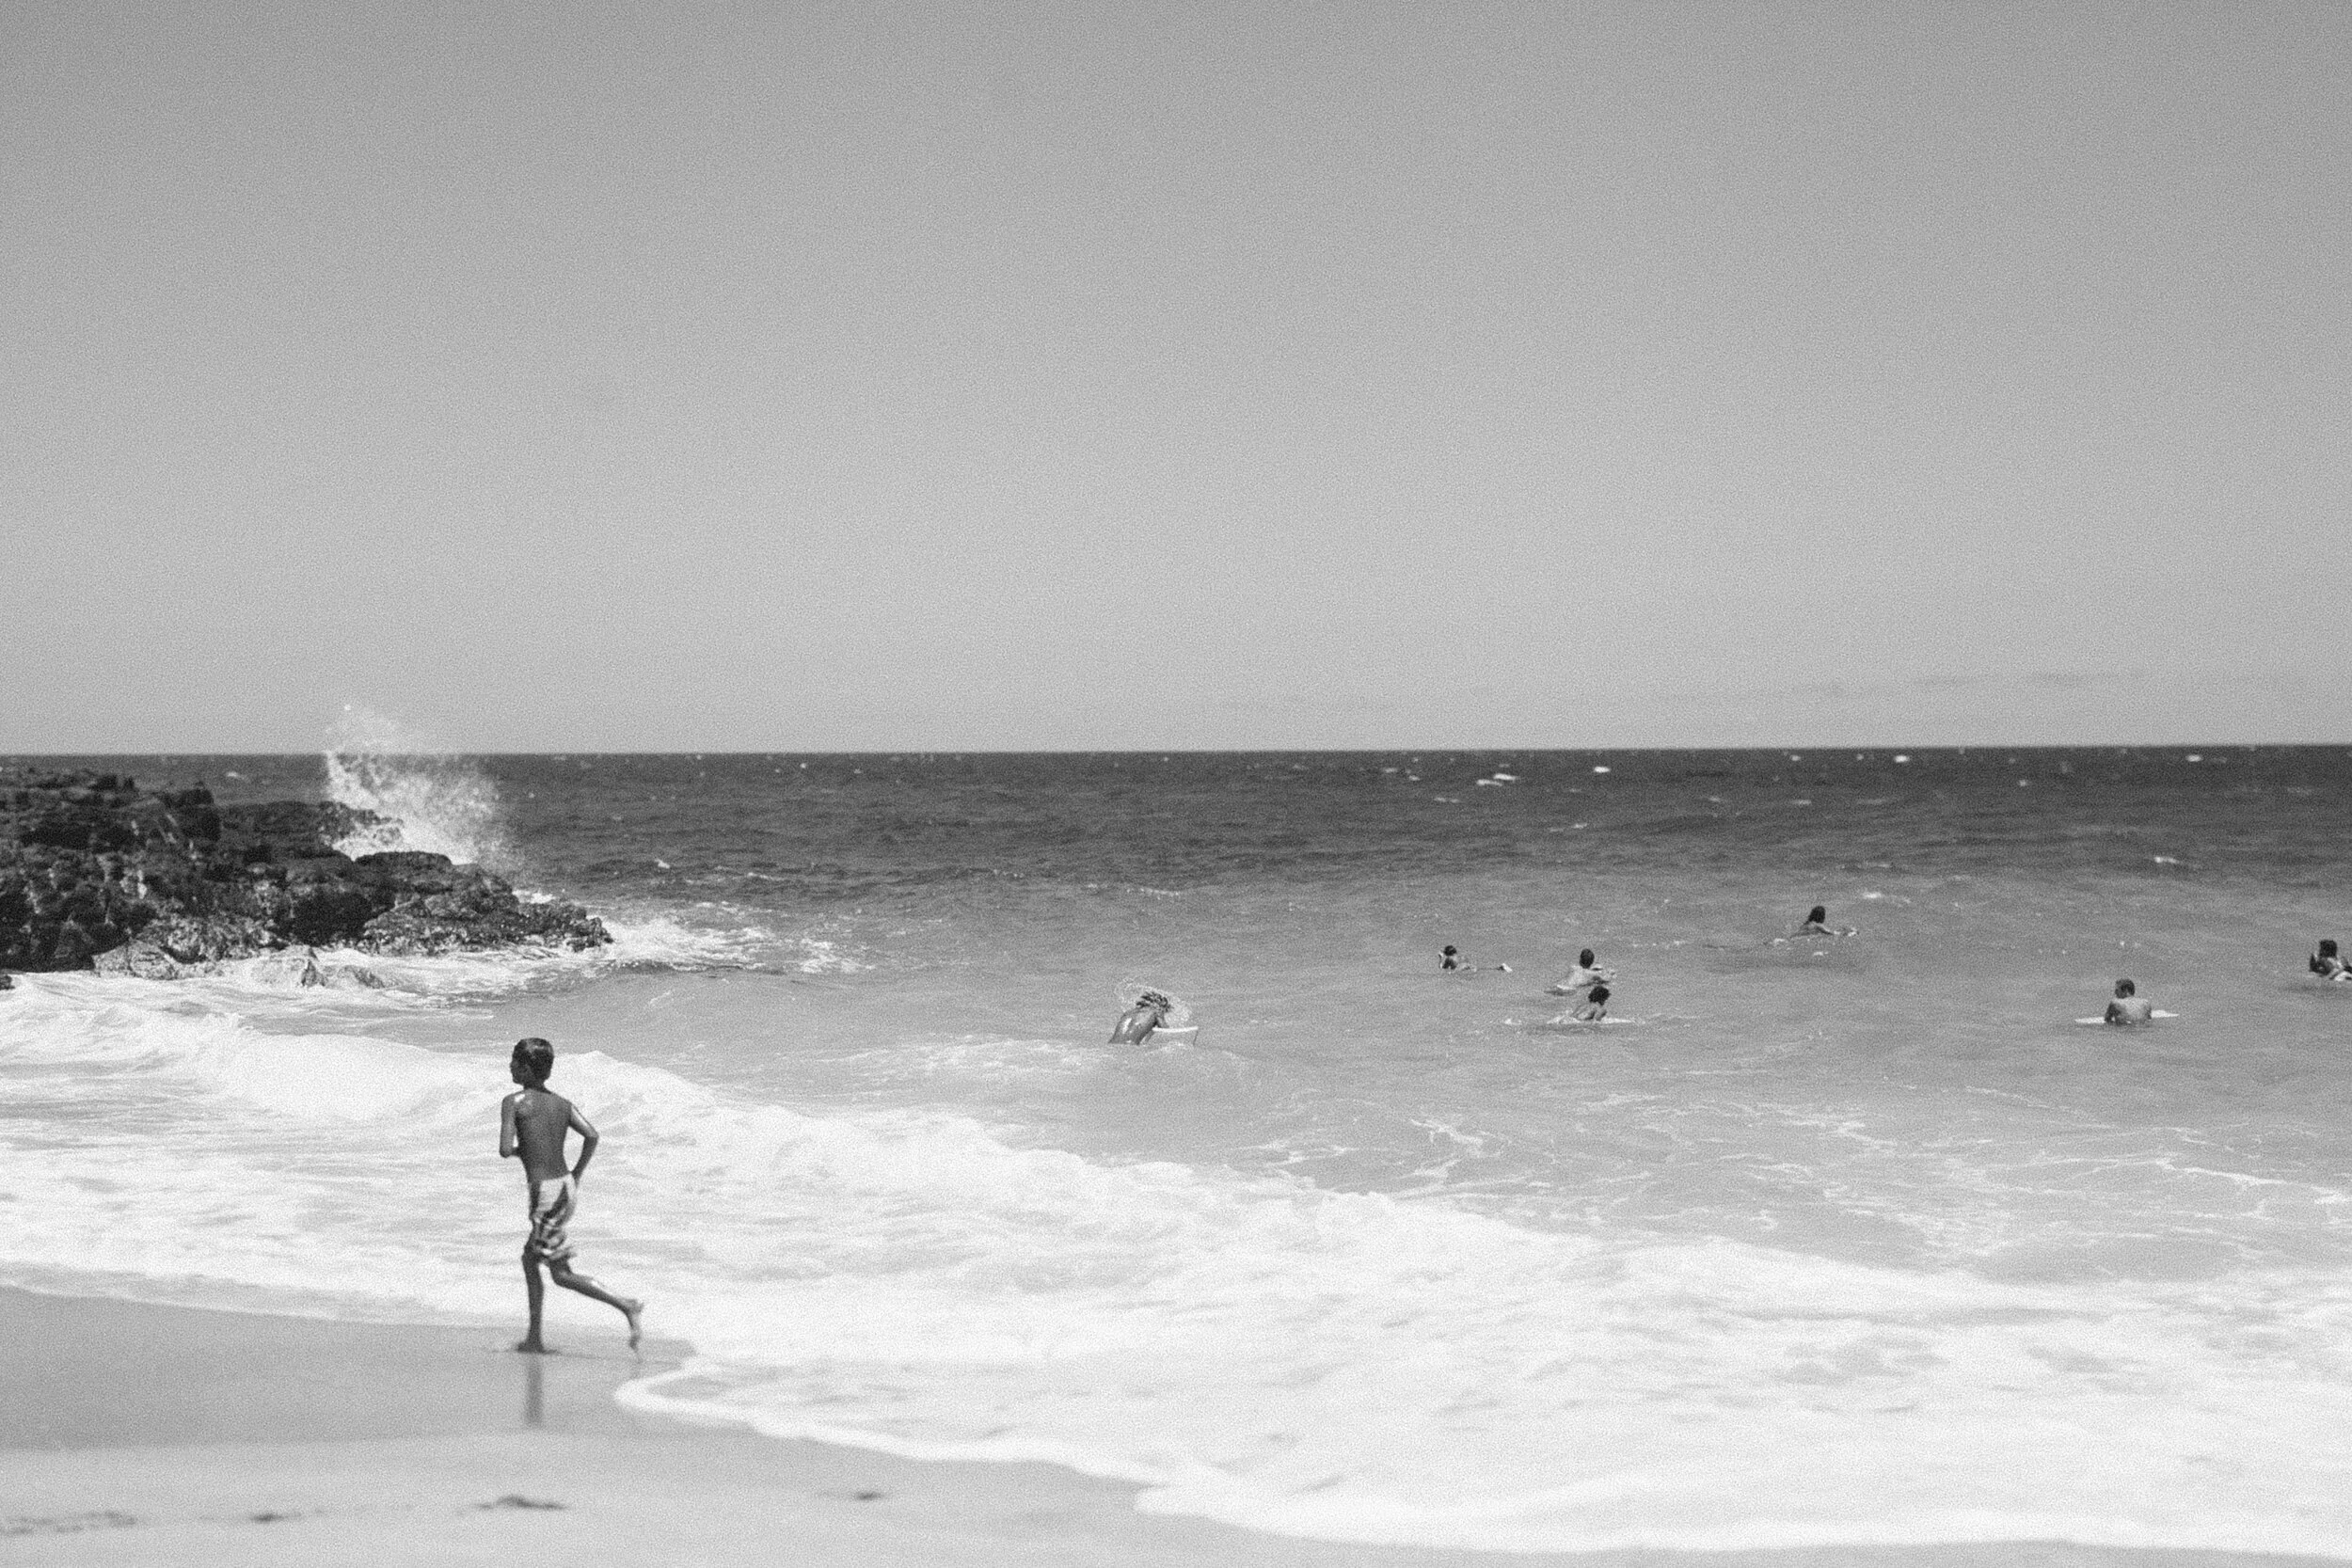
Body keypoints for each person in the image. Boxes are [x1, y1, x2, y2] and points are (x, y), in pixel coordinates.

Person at [501, 1037, 643, 1354]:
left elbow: (504, 1149)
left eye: (514, 1061)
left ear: (525, 1068)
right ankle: (533, 1338)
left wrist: (524, 1151)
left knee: (561, 1275)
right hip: (566, 1188)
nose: (510, 1066)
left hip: (545, 1195)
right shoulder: (563, 1104)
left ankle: (626, 1305)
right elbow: (592, 1135)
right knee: (529, 1259)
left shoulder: (514, 1102)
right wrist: (576, 1173)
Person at [1110, 990, 1174, 1043]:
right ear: (1161, 1007)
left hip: (1111, 1043)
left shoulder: (1128, 1013)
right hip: (1129, 1046)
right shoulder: (1156, 1011)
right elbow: (1167, 1031)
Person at [1547, 948, 1614, 996]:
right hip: (1569, 990)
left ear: (1580, 960)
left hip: (1557, 986)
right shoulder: (1593, 974)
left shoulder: (1573, 967)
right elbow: (1607, 979)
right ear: (1592, 962)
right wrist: (1610, 972)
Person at [1440, 945, 1510, 974]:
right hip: (1469, 966)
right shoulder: (1463, 956)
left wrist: (1441, 958)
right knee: (1482, 969)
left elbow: (1442, 968)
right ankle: (1500, 968)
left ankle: (1500, 968)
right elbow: (1467, 963)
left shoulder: (1449, 958)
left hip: (1461, 968)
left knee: (1452, 974)